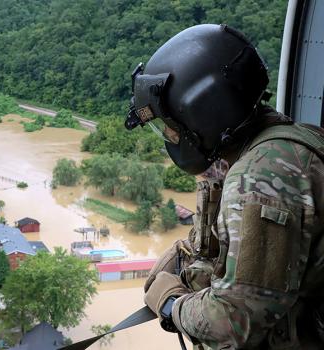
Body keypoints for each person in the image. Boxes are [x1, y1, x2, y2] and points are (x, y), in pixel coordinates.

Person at [125, 24, 324, 349]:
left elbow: (233, 322)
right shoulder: (294, 141)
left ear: (204, 115)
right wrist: (187, 259)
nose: (170, 137)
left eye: (172, 128)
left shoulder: (259, 179)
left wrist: (172, 305)